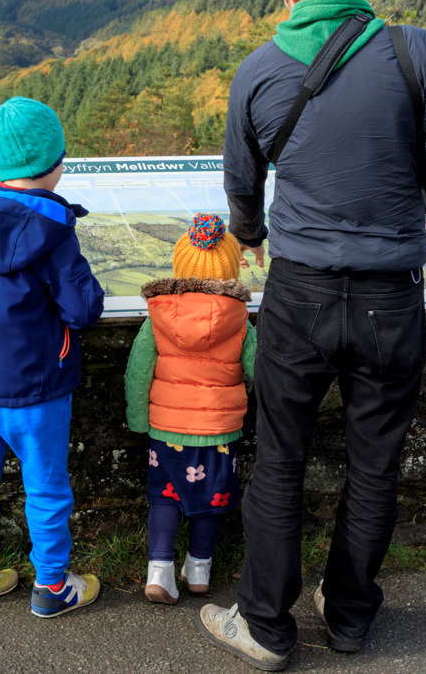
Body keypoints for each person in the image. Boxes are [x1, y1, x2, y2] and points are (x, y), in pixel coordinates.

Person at [198, 0, 426, 671]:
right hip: (392, 295)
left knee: (281, 459)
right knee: (374, 461)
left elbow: (242, 187)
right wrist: (409, 178)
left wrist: (252, 234)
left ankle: (265, 624)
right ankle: (351, 614)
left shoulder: (259, 70)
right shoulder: (414, 51)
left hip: (299, 292)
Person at [0, 96, 107, 618]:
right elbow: (83, 310)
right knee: (47, 487)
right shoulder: (54, 233)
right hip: (37, 389)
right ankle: (51, 586)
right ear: (56, 162)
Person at [123, 213, 255, 605]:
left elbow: (138, 371)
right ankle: (199, 570)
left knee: (164, 497)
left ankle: (160, 572)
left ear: (181, 265)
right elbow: (260, 369)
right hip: (220, 432)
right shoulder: (241, 321)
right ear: (230, 270)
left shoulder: (160, 316)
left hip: (166, 430)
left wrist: (137, 418)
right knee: (210, 499)